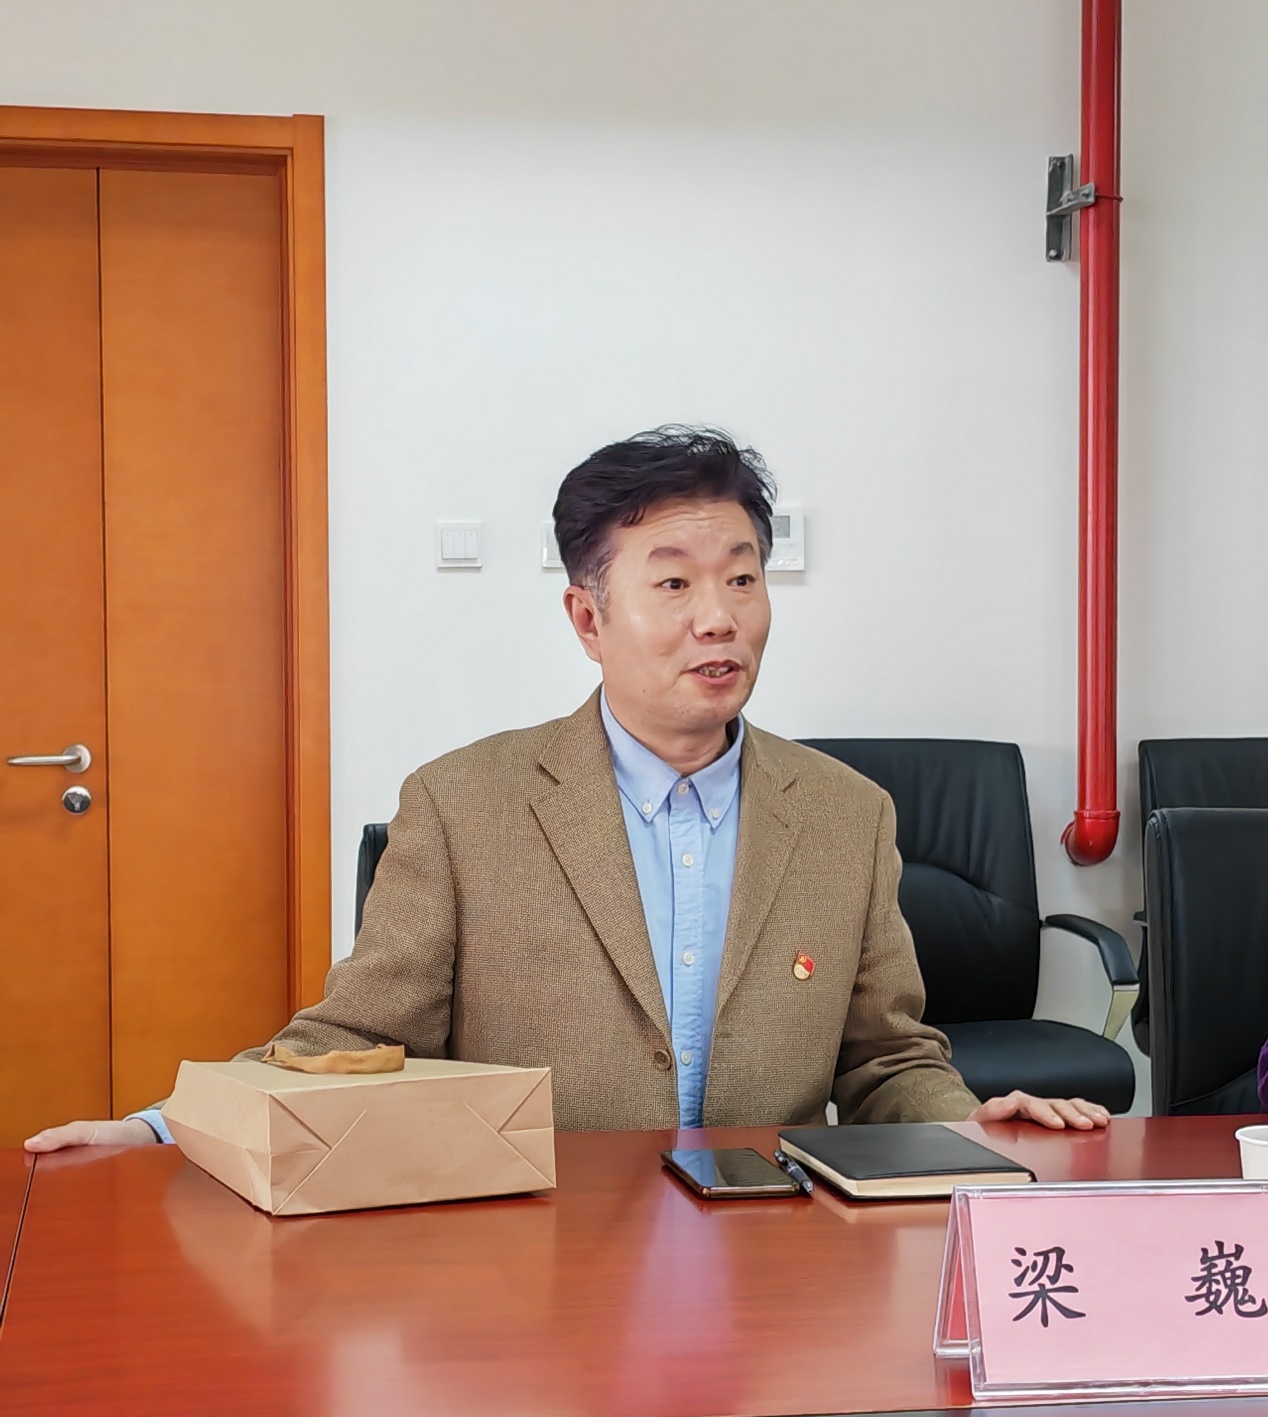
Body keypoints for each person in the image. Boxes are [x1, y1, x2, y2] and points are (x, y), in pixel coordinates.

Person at [26, 426, 1110, 1152]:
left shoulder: (843, 813)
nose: (719, 616)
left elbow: (884, 1057)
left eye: (742, 577)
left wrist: (960, 1123)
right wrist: (164, 1126)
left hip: (772, 1251)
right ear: (588, 618)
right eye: (673, 582)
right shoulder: (463, 806)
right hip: (534, 1255)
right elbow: (350, 1039)